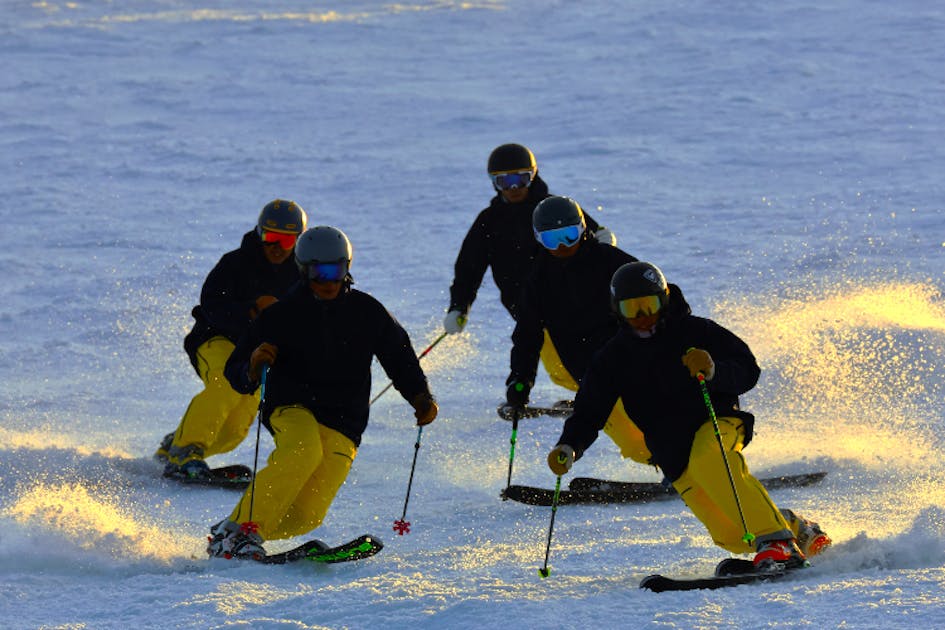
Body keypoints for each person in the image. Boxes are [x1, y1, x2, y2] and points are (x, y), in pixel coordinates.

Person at [546, 262, 831, 569]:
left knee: (708, 458)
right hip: (671, 450)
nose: (644, 318)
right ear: (618, 311)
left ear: (664, 300)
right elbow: (591, 408)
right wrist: (570, 445)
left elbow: (748, 370)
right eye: (633, 309)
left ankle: (778, 543)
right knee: (732, 535)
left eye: (650, 306)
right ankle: (794, 528)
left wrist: (713, 370)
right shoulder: (614, 357)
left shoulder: (696, 331)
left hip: (716, 421)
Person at [207, 225, 438, 559]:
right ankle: (241, 533)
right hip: (291, 405)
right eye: (318, 272)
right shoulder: (281, 314)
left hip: (345, 418)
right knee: (303, 450)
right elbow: (236, 372)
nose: (328, 281)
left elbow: (399, 357)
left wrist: (419, 396)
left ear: (347, 268)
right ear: (303, 270)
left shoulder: (367, 312)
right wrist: (253, 367)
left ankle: (236, 534)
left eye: (335, 271)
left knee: (307, 515)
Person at [156, 199, 307, 479]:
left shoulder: (300, 275)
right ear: (259, 233)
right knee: (225, 385)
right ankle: (184, 452)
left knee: (235, 429)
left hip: (257, 350)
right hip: (217, 339)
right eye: (271, 237)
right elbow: (211, 303)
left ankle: (174, 444)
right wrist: (250, 310)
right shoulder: (236, 263)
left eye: (285, 241)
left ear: (297, 241)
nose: (276, 247)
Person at [503, 196, 650, 465]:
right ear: (538, 239)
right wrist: (520, 378)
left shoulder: (609, 261)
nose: (561, 246)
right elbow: (527, 334)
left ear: (582, 230)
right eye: (551, 239)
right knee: (633, 444)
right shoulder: (538, 281)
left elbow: (650, 292)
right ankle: (664, 465)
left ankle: (685, 465)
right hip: (590, 374)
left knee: (657, 418)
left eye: (569, 236)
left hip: (634, 360)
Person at [443, 143, 616, 334]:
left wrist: (602, 240)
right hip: (529, 312)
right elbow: (469, 268)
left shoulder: (551, 208)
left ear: (533, 175)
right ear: (494, 182)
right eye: (505, 182)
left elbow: (590, 235)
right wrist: (459, 307)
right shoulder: (489, 221)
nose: (514, 187)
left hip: (574, 301)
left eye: (521, 178)